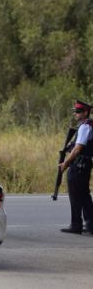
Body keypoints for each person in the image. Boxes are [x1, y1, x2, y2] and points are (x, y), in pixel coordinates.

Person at [59, 100, 93, 234]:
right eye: (75, 111)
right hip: (84, 165)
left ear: (85, 112)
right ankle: (90, 224)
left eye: (78, 112)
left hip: (78, 165)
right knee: (84, 195)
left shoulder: (85, 127)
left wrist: (66, 163)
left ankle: (76, 225)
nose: (75, 114)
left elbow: (78, 148)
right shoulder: (87, 125)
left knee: (75, 195)